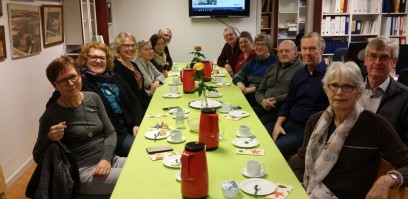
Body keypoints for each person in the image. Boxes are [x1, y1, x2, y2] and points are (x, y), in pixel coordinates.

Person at [291, 61, 408, 198]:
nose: (339, 92)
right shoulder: (315, 121)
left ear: (359, 92)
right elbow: (303, 159)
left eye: (347, 87)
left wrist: (388, 179)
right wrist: (297, 189)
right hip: (308, 192)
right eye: (334, 85)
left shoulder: (375, 124)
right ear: (326, 89)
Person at [33, 56, 126, 195]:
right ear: (56, 86)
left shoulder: (93, 98)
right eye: (63, 81)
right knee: (136, 178)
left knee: (149, 167)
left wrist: (106, 159)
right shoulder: (51, 115)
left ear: (80, 75)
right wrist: (49, 138)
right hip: (85, 171)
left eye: (73, 77)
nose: (70, 83)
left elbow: (110, 132)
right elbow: (37, 156)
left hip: (110, 160)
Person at [272, 32, 329, 157]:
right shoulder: (299, 74)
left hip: (307, 130)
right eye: (304, 49)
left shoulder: (330, 76)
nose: (307, 53)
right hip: (288, 123)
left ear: (322, 50)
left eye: (312, 49)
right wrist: (278, 124)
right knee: (256, 135)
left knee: (273, 150)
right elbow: (289, 101)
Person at [358, 36, 408, 146]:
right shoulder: (351, 90)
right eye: (373, 56)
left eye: (384, 57)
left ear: (394, 62)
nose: (377, 62)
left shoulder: (404, 98)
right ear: (366, 60)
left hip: (384, 160)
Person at [254, 40, 304, 135]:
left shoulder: (301, 70)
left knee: (257, 126)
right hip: (263, 105)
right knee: (244, 117)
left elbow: (295, 93)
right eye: (281, 51)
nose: (283, 54)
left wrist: (275, 100)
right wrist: (262, 101)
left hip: (281, 110)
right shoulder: (272, 68)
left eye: (287, 51)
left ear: (295, 53)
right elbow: (259, 90)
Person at [232, 34, 278, 106]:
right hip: (248, 97)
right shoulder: (253, 61)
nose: (259, 47)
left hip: (263, 100)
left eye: (263, 44)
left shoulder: (275, 62)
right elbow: (237, 76)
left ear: (268, 47)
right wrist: (240, 85)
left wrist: (251, 89)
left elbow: (270, 85)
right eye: (257, 44)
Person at [111, 32, 151, 112]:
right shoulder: (116, 67)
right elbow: (126, 97)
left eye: (133, 45)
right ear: (118, 47)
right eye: (126, 46)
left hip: (143, 107)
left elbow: (141, 92)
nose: (131, 49)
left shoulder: (133, 64)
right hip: (134, 112)